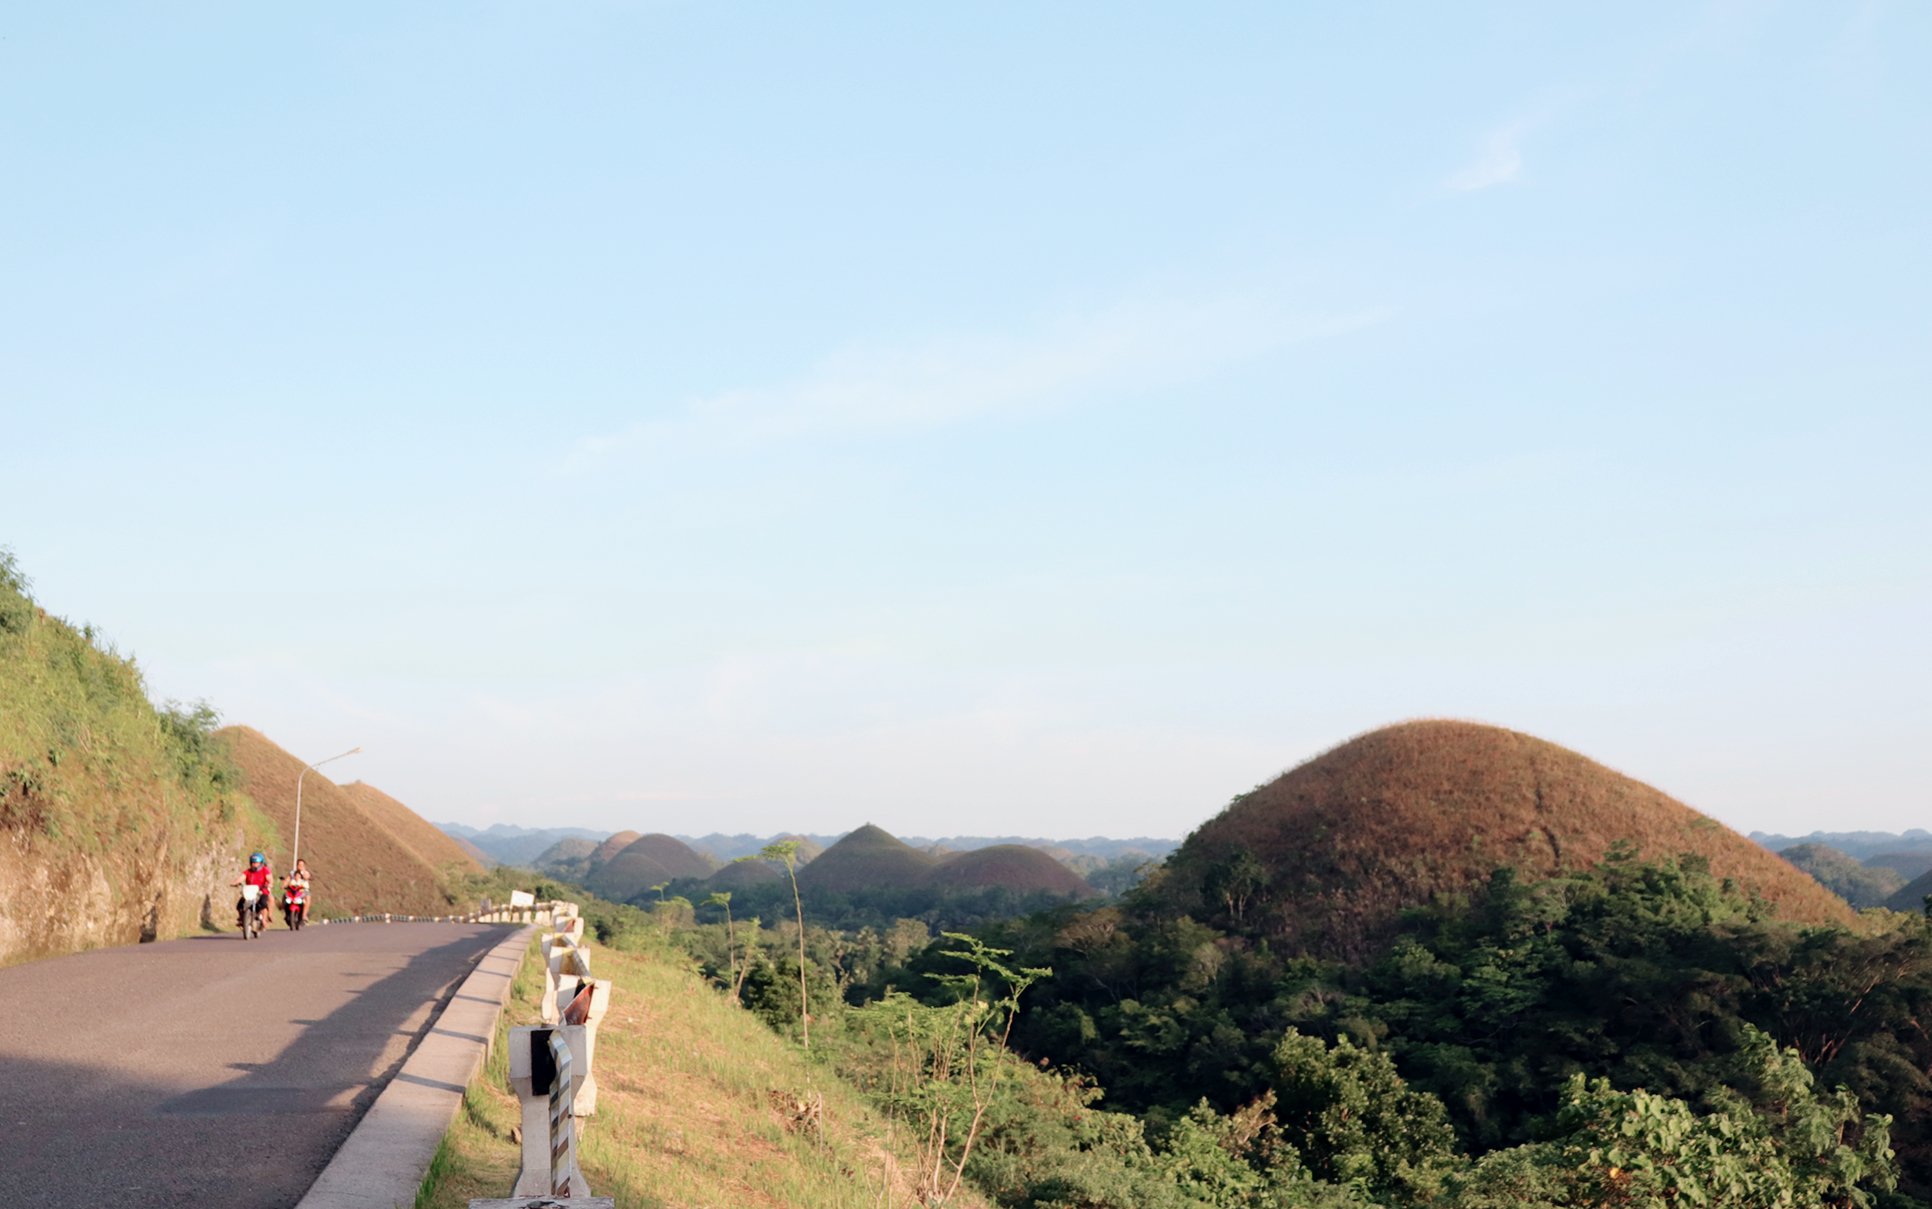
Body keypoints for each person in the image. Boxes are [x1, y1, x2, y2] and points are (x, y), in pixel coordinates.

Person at [230, 852, 273, 929]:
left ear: (261, 863)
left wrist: (270, 883)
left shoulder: (265, 870)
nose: (254, 865)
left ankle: (263, 920)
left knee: (263, 903)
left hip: (261, 891)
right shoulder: (248, 871)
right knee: (240, 905)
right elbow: (241, 878)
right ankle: (242, 919)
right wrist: (235, 883)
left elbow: (269, 878)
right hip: (249, 892)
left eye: (257, 863)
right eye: (253, 863)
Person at [282, 860, 313, 927]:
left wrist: (303, 871)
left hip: (302, 890)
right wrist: (284, 885)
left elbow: (307, 878)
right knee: (284, 896)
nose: (300, 866)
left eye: (302, 865)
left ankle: (304, 915)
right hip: (293, 890)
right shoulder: (292, 873)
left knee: (308, 897)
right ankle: (285, 913)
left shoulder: (306, 873)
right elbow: (287, 879)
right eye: (299, 865)